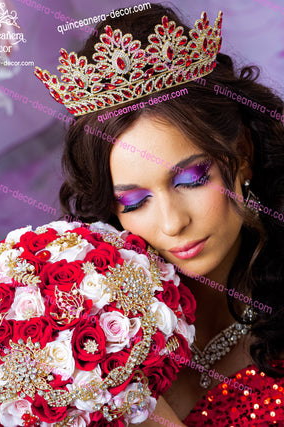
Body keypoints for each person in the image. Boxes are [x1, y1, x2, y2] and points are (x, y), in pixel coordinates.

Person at [36, 3, 284, 425]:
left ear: (241, 154)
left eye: (190, 179)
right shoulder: (93, 341)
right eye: (134, 202)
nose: (172, 223)